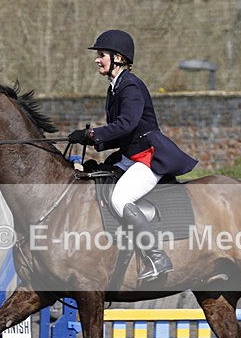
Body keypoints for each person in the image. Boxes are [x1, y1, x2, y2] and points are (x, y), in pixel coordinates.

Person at [68, 29, 198, 281]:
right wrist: (89, 138)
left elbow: (127, 124)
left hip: (149, 155)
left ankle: (158, 256)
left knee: (120, 198)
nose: (97, 59)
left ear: (118, 58)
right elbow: (120, 133)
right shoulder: (115, 88)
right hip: (130, 155)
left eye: (102, 54)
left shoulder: (130, 86)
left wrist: (92, 135)